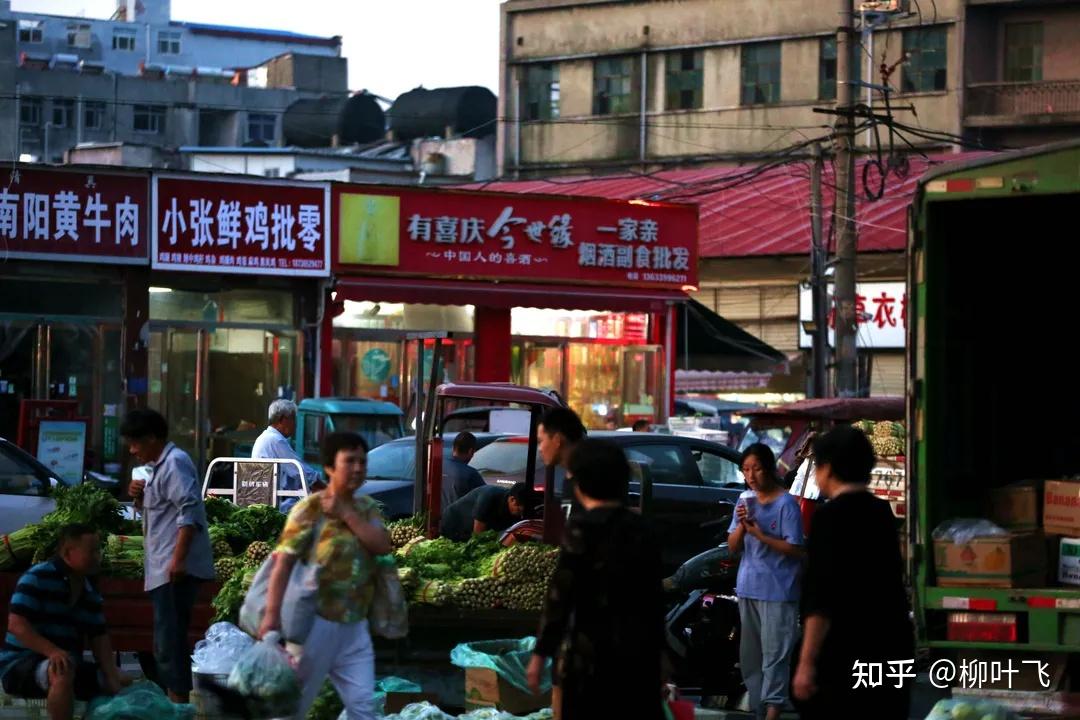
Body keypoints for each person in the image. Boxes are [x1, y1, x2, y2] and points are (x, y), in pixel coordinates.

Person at [526, 439, 664, 719]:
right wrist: (661, 656)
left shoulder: (582, 529)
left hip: (590, 655)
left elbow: (561, 596)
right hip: (638, 655)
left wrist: (541, 653)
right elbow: (654, 599)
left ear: (581, 483)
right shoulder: (644, 530)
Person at [258, 432, 392, 720]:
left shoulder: (366, 507)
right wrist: (270, 617)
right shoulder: (308, 509)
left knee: (362, 707)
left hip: (355, 627)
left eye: (362, 461)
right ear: (330, 467)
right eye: (349, 461)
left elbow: (381, 544)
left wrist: (346, 513)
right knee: (292, 708)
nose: (358, 468)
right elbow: (282, 564)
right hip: (313, 626)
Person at [792, 425, 913, 720]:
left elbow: (821, 598)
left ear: (828, 469)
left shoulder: (828, 518)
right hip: (890, 647)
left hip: (844, 654)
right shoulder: (882, 513)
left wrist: (806, 663)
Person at [122, 408, 215, 704]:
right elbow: (162, 511)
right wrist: (138, 495)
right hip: (162, 566)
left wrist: (178, 560)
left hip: (173, 569)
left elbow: (188, 514)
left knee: (169, 642)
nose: (132, 450)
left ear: (151, 438)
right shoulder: (159, 468)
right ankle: (176, 702)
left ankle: (178, 705)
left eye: (135, 443)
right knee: (165, 642)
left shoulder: (175, 463)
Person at [0, 525, 130, 720]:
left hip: (67, 662)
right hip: (20, 665)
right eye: (92, 551)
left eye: (98, 550)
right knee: (62, 670)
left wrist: (112, 678)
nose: (98, 556)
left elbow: (99, 637)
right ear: (69, 553)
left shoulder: (88, 590)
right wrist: (52, 651)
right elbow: (17, 625)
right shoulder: (37, 577)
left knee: (123, 678)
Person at [727, 443, 804, 720]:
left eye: (757, 468)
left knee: (775, 654)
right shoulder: (744, 500)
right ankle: (760, 707)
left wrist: (761, 536)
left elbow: (795, 549)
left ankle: (773, 709)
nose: (751, 476)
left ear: (769, 469)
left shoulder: (786, 504)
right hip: (748, 586)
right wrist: (742, 526)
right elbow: (732, 546)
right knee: (750, 656)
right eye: (746, 470)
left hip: (778, 589)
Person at [252, 399, 321, 514]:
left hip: (271, 497)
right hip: (275, 502)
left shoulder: (268, 437)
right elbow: (301, 471)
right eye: (293, 419)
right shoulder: (275, 440)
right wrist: (325, 488)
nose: (296, 424)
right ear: (283, 420)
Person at [439, 483, 530, 542]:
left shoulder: (514, 509)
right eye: (519, 510)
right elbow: (478, 535)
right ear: (512, 500)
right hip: (454, 523)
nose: (519, 515)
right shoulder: (488, 497)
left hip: (470, 527)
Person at [442, 432, 485, 508]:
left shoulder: (440, 466)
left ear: (453, 448)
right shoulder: (471, 474)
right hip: (458, 518)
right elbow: (486, 497)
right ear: (470, 451)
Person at [537, 407, 586, 472]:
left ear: (557, 440)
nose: (539, 449)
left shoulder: (585, 479)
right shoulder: (575, 474)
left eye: (540, 441)